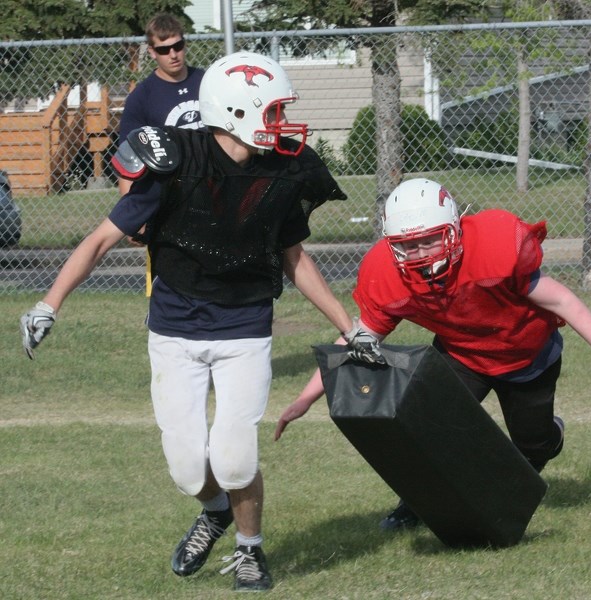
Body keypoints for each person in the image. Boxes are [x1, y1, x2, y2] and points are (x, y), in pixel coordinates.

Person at [19, 51, 381, 592]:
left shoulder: (282, 167)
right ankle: (215, 512)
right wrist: (49, 303)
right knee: (189, 468)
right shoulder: (175, 160)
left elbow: (296, 259)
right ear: (236, 110)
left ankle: (250, 550)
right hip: (174, 328)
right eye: (274, 111)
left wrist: (349, 325)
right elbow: (101, 239)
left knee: (235, 458)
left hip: (244, 328)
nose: (283, 123)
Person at [276, 177, 591, 531]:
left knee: (533, 449)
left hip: (526, 357)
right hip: (462, 357)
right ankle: (414, 506)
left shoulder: (494, 246)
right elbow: (356, 340)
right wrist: (306, 398)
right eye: (408, 245)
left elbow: (560, 298)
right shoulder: (387, 273)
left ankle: (546, 439)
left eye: (430, 240)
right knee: (428, 436)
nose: (419, 254)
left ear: (454, 229)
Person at [118, 13, 204, 198]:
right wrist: (136, 221)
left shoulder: (208, 82)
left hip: (212, 184)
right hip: (171, 192)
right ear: (152, 52)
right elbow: (129, 162)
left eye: (177, 46)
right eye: (164, 50)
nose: (173, 55)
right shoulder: (141, 97)